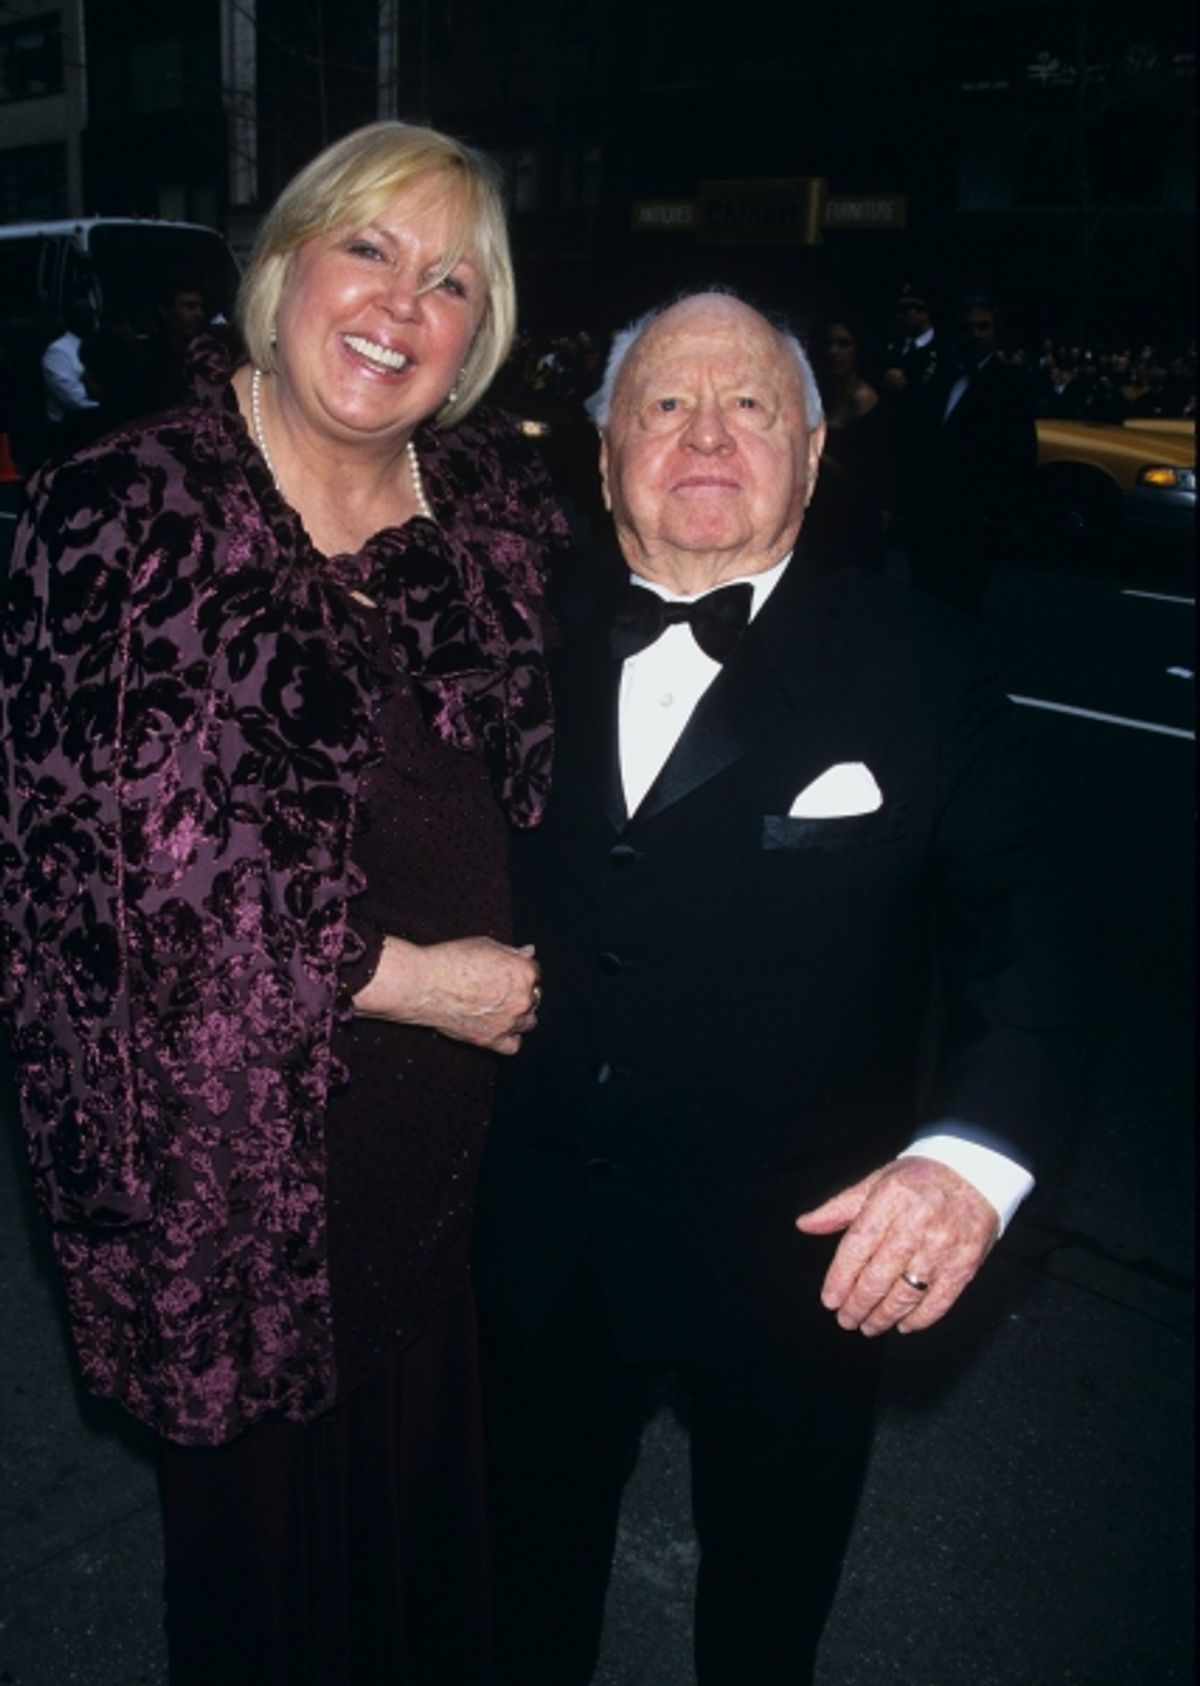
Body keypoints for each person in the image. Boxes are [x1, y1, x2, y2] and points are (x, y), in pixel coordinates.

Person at [0, 120, 564, 1686]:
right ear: (283, 266)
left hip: (452, 1174)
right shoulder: (125, 509)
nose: (400, 301)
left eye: (451, 278)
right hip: (234, 1184)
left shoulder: (499, 524)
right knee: (271, 1605)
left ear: (478, 338)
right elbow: (95, 889)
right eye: (368, 247)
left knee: (424, 1585)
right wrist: (413, 981)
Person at [471, 290, 1088, 1685]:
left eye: (749, 404)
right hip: (537, 1233)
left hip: (809, 1253)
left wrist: (969, 1163)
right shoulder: (502, 634)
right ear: (605, 448)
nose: (706, 433)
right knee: (519, 1597)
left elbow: (1036, 936)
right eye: (665, 405)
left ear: (811, 451)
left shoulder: (923, 665)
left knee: (766, 1617)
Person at [905, 293, 1037, 616]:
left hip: (975, 520)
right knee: (924, 602)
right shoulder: (940, 374)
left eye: (983, 327)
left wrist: (998, 519)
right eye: (968, 327)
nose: (975, 334)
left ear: (995, 332)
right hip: (930, 514)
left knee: (961, 607)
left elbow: (1020, 454)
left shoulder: (1011, 384)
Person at [804, 314, 891, 570]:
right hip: (816, 517)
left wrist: (816, 454)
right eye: (828, 344)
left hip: (856, 519)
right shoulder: (813, 398)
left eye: (844, 344)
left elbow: (869, 480)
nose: (834, 352)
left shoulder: (867, 401)